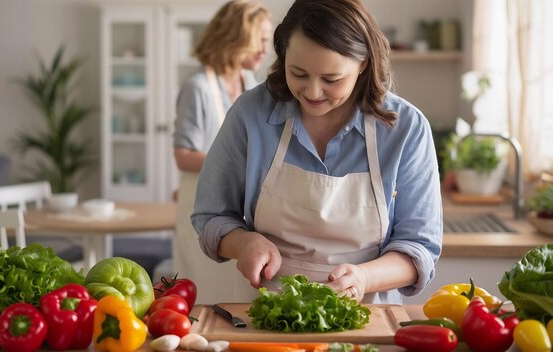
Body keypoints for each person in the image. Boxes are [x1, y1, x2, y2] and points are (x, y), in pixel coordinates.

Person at [192, 0, 443, 304]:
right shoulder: (251, 114)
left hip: (368, 318)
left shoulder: (406, 128)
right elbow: (212, 215)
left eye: (331, 80)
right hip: (264, 315)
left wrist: (364, 277)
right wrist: (244, 243)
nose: (312, 92)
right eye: (298, 73)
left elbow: (419, 246)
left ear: (362, 63)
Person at [172, 0, 273, 304]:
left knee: (233, 290)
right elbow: (183, 154)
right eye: (260, 39)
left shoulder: (251, 84)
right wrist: (238, 166)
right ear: (234, 36)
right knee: (203, 289)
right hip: (201, 203)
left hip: (238, 204)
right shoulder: (198, 88)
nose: (264, 49)